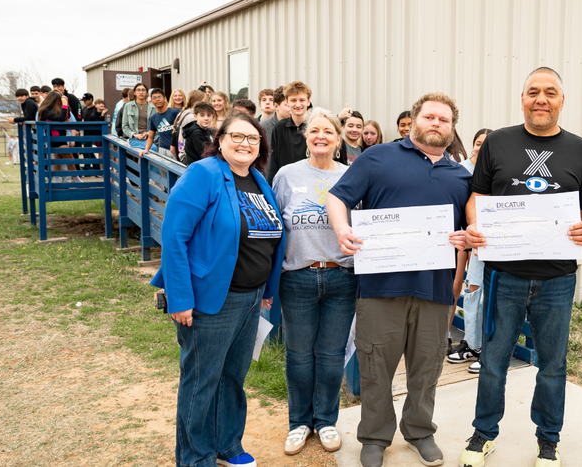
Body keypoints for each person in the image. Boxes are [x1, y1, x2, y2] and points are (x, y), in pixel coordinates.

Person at [460, 67, 582, 467]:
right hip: (504, 275)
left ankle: (548, 441)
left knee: (552, 366)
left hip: (557, 278)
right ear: (522, 97)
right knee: (493, 362)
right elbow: (477, 195)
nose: (541, 99)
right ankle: (484, 433)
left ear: (562, 100)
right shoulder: (498, 143)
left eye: (550, 92)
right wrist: (475, 223)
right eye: (533, 92)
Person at [327, 92, 471, 467]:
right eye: (430, 117)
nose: (436, 123)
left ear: (452, 128)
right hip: (380, 288)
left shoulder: (462, 177)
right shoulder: (379, 157)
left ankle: (420, 431)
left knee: (427, 368)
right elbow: (337, 198)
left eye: (444, 119)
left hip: (435, 290)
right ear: (414, 120)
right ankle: (374, 436)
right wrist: (342, 229)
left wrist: (466, 238)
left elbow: (471, 230)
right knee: (376, 367)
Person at [152, 112, 286, 467]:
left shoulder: (258, 179)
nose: (245, 144)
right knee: (202, 381)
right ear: (221, 140)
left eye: (252, 139)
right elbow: (174, 237)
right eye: (236, 137)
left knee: (232, 378)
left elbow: (270, 238)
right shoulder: (203, 173)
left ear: (261, 146)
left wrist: (267, 288)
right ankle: (196, 458)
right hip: (211, 299)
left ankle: (227, 445)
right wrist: (180, 298)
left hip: (251, 297)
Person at [271, 108, 356, 456]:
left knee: (332, 354)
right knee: (299, 354)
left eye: (328, 131)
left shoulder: (352, 175)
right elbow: (272, 227)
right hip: (298, 277)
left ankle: (326, 421)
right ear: (306, 137)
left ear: (338, 139)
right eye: (314, 130)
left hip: (341, 276)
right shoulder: (286, 176)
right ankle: (299, 423)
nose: (321, 136)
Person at [447, 128, 492, 374]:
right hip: (468, 240)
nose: (481, 148)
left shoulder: (499, 170)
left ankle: (486, 349)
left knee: (487, 295)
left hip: (491, 243)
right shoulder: (462, 170)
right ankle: (473, 344)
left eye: (486, 144)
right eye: (477, 143)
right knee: (471, 290)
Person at [265, 81, 346, 182]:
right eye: (293, 100)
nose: (298, 104)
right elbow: (273, 162)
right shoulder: (279, 127)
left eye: (302, 100)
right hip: (287, 182)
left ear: (308, 101)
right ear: (287, 102)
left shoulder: (316, 127)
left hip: (314, 181)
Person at [38, 91, 76, 182]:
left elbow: (66, 116)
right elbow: (61, 119)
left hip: (60, 137)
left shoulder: (54, 110)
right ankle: (76, 178)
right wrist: (63, 105)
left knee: (57, 160)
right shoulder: (45, 111)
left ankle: (56, 181)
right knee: (70, 158)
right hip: (55, 138)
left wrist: (66, 105)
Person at [140, 88, 179, 158]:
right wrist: (146, 149)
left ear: (165, 99)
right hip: (162, 149)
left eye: (159, 97)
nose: (157, 99)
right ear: (151, 101)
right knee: (162, 169)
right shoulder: (153, 117)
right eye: (154, 98)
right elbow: (151, 137)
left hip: (176, 149)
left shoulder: (174, 112)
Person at [172, 89, 208, 160]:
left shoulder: (186, 113)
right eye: (204, 100)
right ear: (199, 101)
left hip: (184, 153)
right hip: (189, 156)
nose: (206, 102)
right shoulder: (192, 117)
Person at [122, 83, 153, 150]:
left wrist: (147, 134)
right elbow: (124, 126)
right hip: (134, 138)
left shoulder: (153, 107)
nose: (141, 92)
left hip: (149, 137)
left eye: (143, 90)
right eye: (138, 90)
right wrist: (135, 135)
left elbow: (156, 126)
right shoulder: (128, 106)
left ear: (147, 93)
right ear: (134, 92)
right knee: (152, 148)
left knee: (152, 148)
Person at [80, 93, 103, 169]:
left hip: (94, 133)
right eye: (84, 100)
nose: (84, 102)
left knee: (87, 150)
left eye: (86, 100)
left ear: (90, 100)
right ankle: (96, 166)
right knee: (88, 150)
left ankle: (88, 167)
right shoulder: (84, 109)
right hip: (86, 133)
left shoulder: (95, 109)